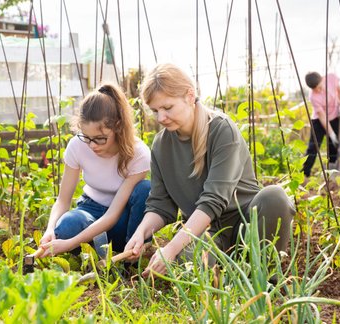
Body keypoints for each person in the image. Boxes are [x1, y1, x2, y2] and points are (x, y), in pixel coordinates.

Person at [123, 63, 295, 276]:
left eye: (167, 108)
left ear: (189, 95)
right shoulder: (161, 145)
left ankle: (264, 276)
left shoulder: (222, 130)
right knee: (184, 264)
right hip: (209, 233)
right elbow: (160, 205)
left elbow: (213, 200)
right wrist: (141, 233)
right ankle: (232, 273)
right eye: (155, 111)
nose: (161, 118)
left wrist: (172, 247)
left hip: (248, 227)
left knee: (274, 196)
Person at [38, 83, 151, 257]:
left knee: (145, 189)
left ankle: (130, 254)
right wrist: (50, 229)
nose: (92, 145)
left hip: (121, 218)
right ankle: (97, 251)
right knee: (68, 224)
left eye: (100, 139)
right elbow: (63, 200)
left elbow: (112, 215)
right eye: (87, 137)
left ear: (118, 127)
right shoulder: (77, 145)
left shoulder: (139, 153)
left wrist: (70, 244)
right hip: (90, 209)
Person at [302, 72, 340, 177]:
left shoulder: (331, 78)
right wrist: (331, 134)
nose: (318, 90)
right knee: (313, 147)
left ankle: (332, 171)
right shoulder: (313, 97)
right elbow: (322, 116)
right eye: (315, 89)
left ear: (322, 79)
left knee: (333, 146)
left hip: (334, 116)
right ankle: (305, 173)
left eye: (319, 87)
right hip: (319, 121)